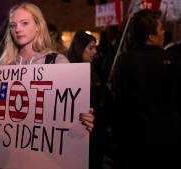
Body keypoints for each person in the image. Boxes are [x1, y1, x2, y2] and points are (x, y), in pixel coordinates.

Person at [0, 3, 95, 132]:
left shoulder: (57, 62)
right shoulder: (3, 66)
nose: (17, 29)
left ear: (38, 26)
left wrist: (83, 118)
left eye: (25, 23)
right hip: (10, 145)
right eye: (13, 25)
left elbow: (69, 106)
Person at [113, 9, 181, 169]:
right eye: (161, 29)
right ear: (151, 36)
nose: (164, 32)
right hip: (169, 140)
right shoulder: (172, 58)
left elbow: (120, 106)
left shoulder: (123, 61)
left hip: (136, 142)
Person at [67, 30, 112, 169]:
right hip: (81, 133)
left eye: (95, 48)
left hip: (96, 132)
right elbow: (83, 98)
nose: (94, 52)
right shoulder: (70, 71)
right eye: (90, 48)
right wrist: (104, 88)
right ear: (80, 47)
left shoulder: (91, 70)